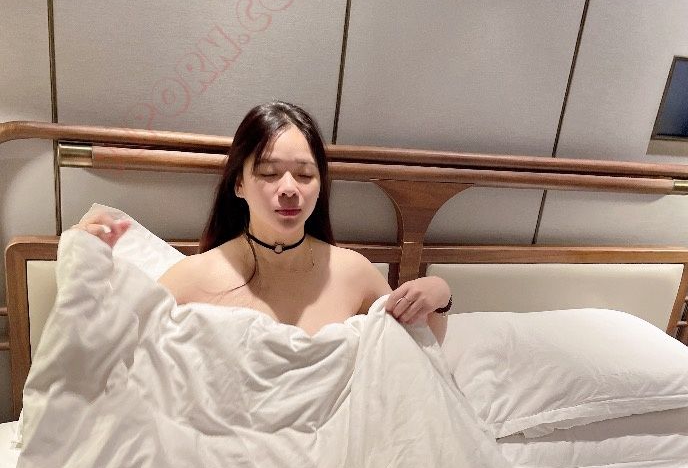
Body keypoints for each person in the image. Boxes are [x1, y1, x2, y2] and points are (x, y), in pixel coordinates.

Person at [73, 101, 453, 343]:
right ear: (238, 184)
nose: (289, 189)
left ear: (320, 185)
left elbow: (420, 352)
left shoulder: (353, 272)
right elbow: (113, 348)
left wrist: (439, 295)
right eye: (269, 173)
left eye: (305, 175)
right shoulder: (195, 276)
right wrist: (86, 267)